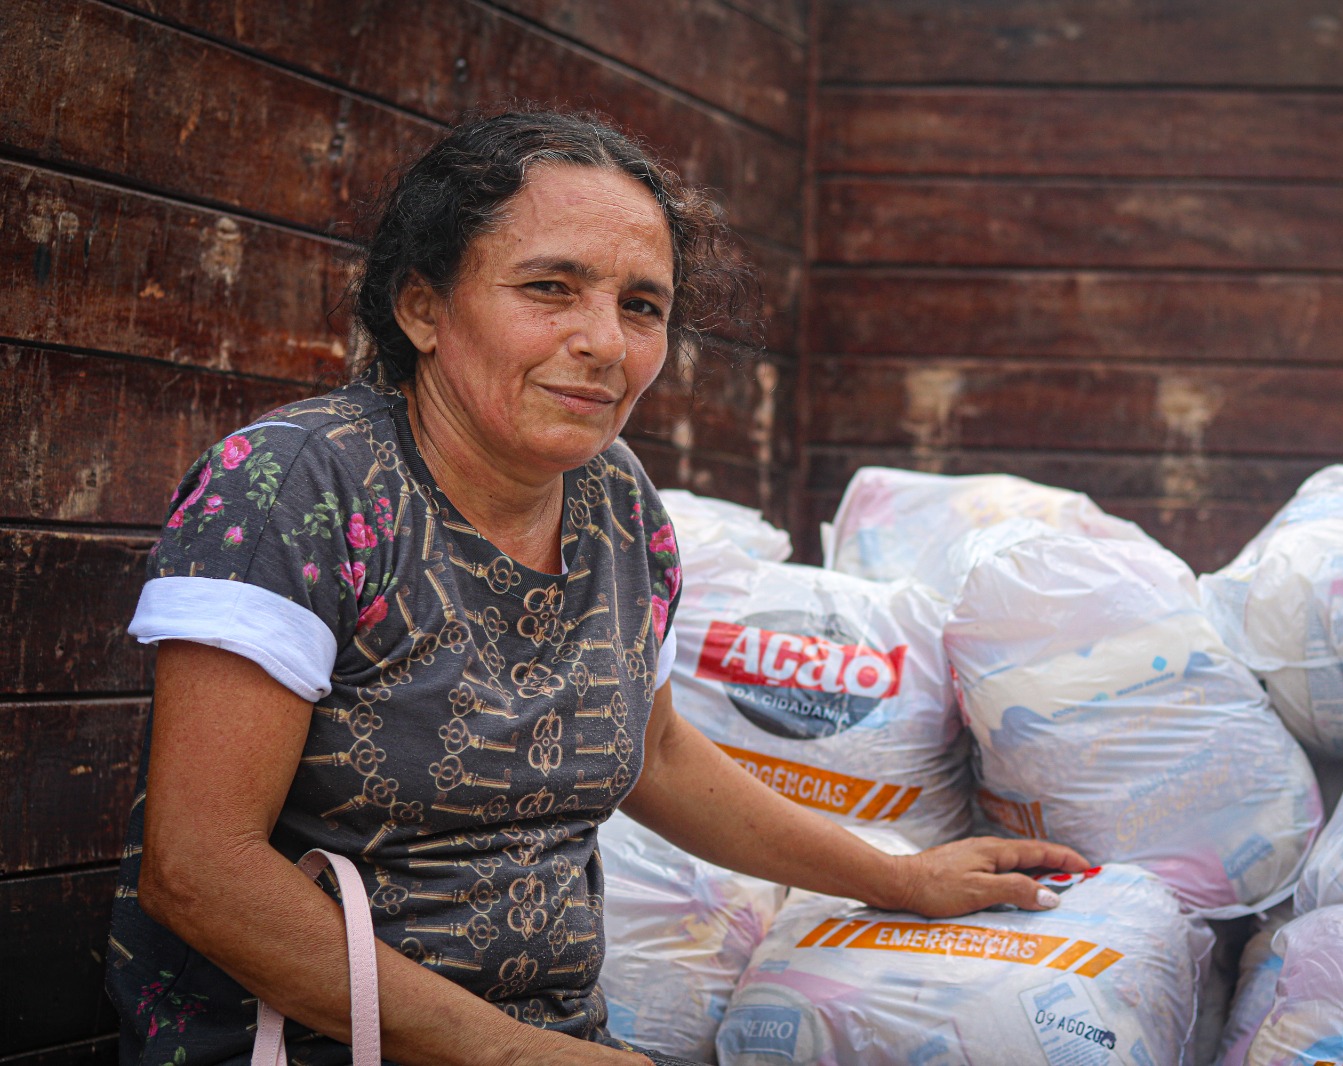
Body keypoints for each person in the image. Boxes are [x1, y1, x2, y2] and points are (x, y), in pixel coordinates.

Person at [106, 109, 1086, 1066]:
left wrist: (899, 879)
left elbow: (652, 751)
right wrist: (517, 1054)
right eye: (550, 288)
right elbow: (200, 869)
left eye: (641, 306)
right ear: (422, 307)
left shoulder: (618, 501)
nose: (605, 343)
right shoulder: (297, 485)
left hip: (559, 1034)